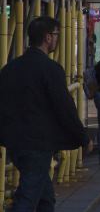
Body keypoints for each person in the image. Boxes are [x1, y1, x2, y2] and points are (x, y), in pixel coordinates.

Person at [0, 16, 90, 211]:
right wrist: (83, 137)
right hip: (38, 143)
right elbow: (65, 108)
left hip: (15, 142)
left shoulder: (10, 68)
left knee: (45, 197)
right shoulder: (50, 69)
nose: (57, 39)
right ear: (48, 37)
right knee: (27, 197)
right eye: (56, 35)